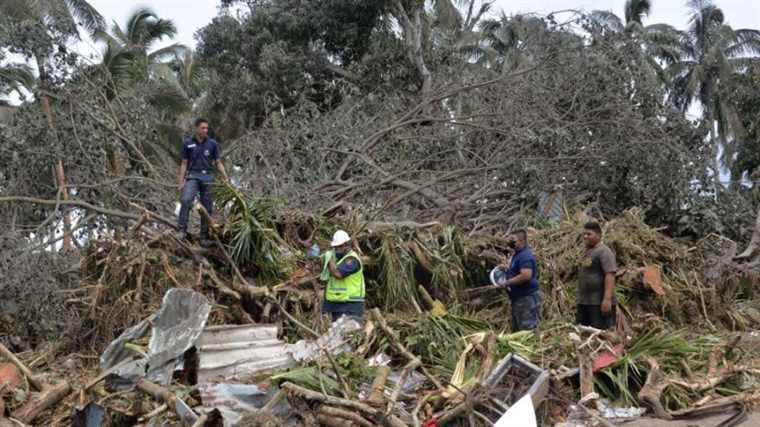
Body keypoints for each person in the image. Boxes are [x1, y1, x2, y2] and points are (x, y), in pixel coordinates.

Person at [177, 118, 229, 244]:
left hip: (208, 178)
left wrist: (226, 178)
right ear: (196, 128)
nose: (205, 130)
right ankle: (182, 230)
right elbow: (184, 163)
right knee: (186, 199)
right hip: (193, 176)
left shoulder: (212, 144)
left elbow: (218, 162)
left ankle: (204, 237)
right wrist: (181, 181)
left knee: (207, 207)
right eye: (203, 128)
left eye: (207, 128)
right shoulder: (187, 143)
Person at [496, 229, 540, 332]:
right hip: (519, 299)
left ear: (522, 241)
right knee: (518, 330)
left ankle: (533, 346)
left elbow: (526, 275)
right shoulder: (517, 254)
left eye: (513, 240)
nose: (510, 242)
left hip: (526, 299)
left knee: (527, 330)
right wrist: (507, 268)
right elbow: (518, 270)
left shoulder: (525, 256)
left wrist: (507, 283)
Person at [577, 221, 617, 330]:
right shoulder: (586, 252)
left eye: (589, 234)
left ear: (598, 235)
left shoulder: (604, 252)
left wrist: (607, 299)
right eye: (584, 234)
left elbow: (610, 275)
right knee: (583, 333)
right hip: (585, 302)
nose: (585, 236)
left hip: (599, 303)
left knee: (601, 334)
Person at [320, 230, 365, 322]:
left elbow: (338, 274)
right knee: (338, 333)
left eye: (338, 247)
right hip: (338, 304)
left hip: (351, 305)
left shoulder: (352, 260)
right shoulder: (340, 259)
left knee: (350, 334)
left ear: (345, 245)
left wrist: (329, 259)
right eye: (335, 247)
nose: (336, 250)